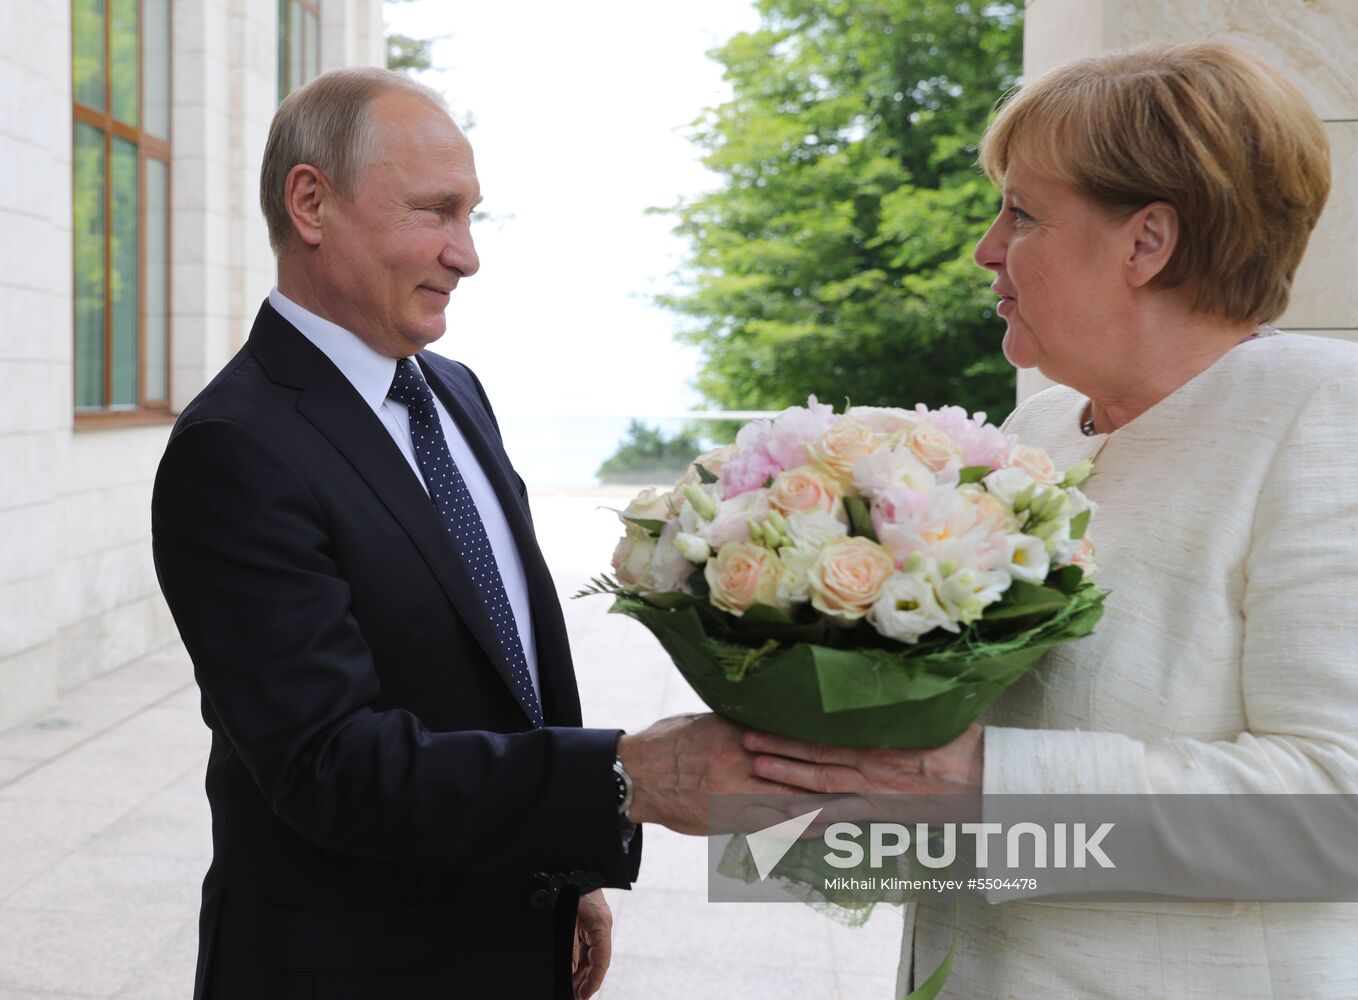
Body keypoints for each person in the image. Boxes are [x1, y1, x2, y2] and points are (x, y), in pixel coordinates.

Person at [151, 67, 787, 1000]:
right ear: (311, 201)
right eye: (435, 212)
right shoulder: (232, 447)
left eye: (471, 215)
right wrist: (620, 778)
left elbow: (510, 667)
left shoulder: (453, 391)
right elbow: (330, 764)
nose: (467, 254)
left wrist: (570, 871)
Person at [741, 41, 1358, 997]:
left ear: (1146, 242)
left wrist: (979, 782)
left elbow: (1337, 807)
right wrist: (787, 793)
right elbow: (986, 809)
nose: (987, 248)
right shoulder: (1039, 432)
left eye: (1022, 214)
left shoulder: (1326, 419)